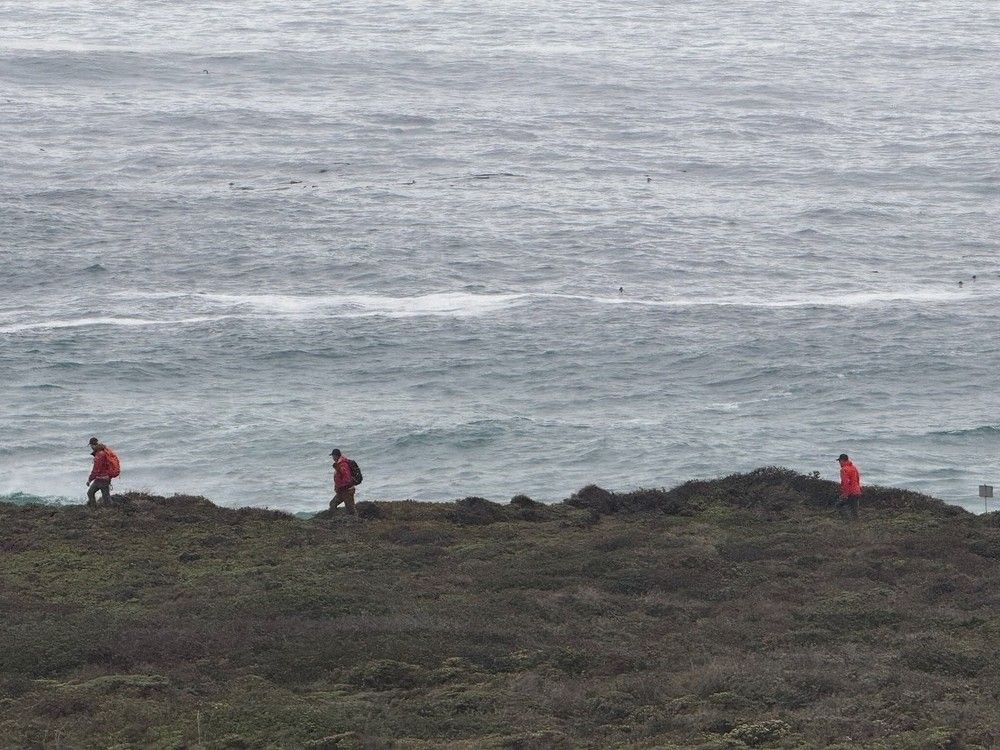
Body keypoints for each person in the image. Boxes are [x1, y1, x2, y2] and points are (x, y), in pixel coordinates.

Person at [86, 439, 116, 507]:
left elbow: (96, 470)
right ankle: (96, 509)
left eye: (90, 445)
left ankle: (95, 509)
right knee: (92, 493)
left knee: (105, 498)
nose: (90, 447)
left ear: (92, 445)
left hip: (102, 479)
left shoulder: (99, 455)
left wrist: (89, 480)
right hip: (103, 478)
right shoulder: (103, 451)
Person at [330, 448, 357, 516]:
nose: (332, 458)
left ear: (336, 456)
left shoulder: (342, 464)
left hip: (347, 490)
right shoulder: (339, 464)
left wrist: (341, 486)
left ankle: (355, 523)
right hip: (342, 490)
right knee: (333, 504)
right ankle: (338, 519)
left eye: (333, 456)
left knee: (351, 510)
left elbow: (347, 479)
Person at [836, 453, 862, 521]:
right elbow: (858, 479)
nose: (839, 463)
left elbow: (845, 483)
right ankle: (856, 525)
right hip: (857, 491)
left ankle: (847, 522)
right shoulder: (854, 468)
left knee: (839, 505)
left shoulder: (844, 470)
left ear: (842, 460)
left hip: (850, 492)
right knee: (855, 511)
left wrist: (845, 495)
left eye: (839, 461)